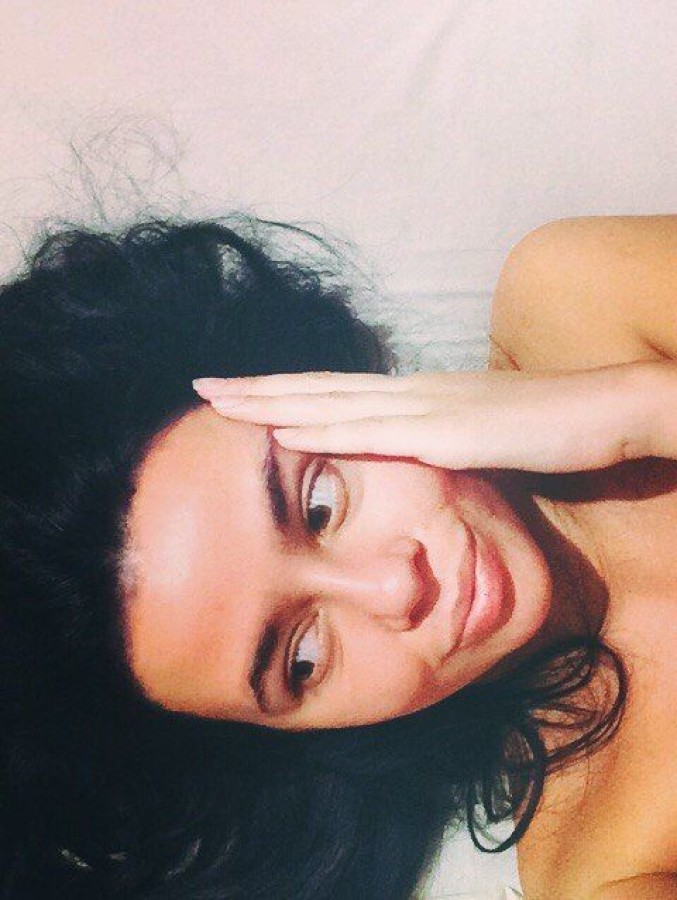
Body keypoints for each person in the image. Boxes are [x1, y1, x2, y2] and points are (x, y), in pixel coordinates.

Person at [0, 214, 674, 899]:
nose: (394, 588)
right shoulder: (608, 867)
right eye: (302, 660)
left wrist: (637, 411)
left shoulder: (581, 299)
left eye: (319, 504)